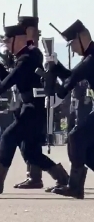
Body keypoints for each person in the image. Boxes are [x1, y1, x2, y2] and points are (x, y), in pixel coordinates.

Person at [0, 23, 69, 195]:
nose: (6, 45)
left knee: (8, 137)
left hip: (33, 108)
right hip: (27, 108)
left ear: (18, 39)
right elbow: (13, 78)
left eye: (8, 41)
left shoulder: (28, 57)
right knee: (31, 152)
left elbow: (9, 81)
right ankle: (64, 179)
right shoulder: (24, 56)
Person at [45, 20, 94, 199]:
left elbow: (72, 78)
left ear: (81, 38)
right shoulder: (89, 58)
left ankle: (75, 187)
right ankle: (75, 186)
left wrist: (57, 96)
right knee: (87, 150)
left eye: (72, 43)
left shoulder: (91, 59)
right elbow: (72, 76)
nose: (72, 49)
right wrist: (56, 65)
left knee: (75, 137)